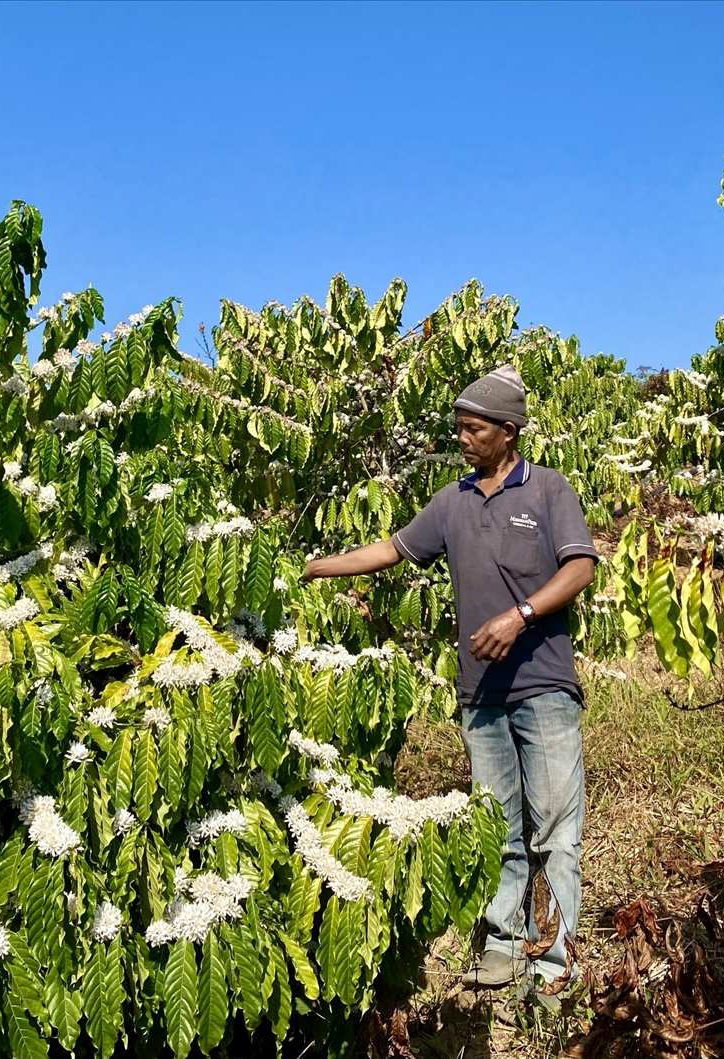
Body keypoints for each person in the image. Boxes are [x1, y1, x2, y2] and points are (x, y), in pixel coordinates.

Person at [301, 364, 597, 994]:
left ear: (509, 431)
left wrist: (520, 617)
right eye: (459, 428)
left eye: (474, 429)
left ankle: (555, 961)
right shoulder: (452, 501)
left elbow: (579, 568)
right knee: (498, 824)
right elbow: (390, 550)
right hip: (480, 693)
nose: (462, 438)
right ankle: (504, 944)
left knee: (554, 829)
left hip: (544, 687)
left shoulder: (548, 490)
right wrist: (317, 567)